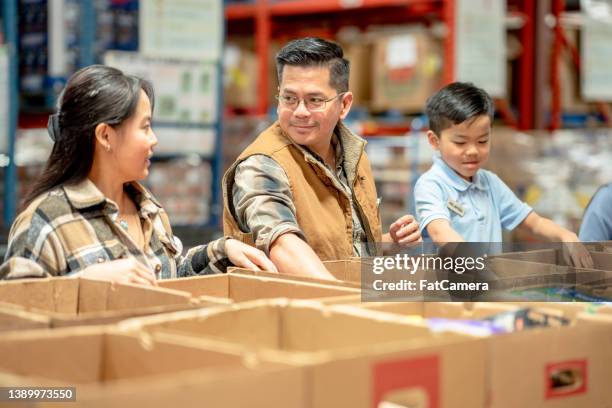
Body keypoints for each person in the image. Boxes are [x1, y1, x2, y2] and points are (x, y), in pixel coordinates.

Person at [1, 65, 276, 284]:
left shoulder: (149, 211)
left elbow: (166, 281)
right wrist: (81, 284)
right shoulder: (46, 222)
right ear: (105, 135)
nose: (153, 140)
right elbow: (16, 315)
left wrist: (222, 252)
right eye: (144, 127)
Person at [222, 37, 421, 280]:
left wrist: (389, 244)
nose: (300, 111)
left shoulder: (353, 156)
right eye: (289, 98)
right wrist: (341, 298)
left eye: (315, 100)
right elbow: (282, 244)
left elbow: (345, 247)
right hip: (295, 310)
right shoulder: (261, 165)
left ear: (344, 105)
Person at [414, 82, 593, 268]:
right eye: (460, 143)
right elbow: (440, 231)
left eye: (482, 141)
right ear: (434, 141)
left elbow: (534, 223)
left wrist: (566, 236)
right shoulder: (431, 185)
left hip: (487, 288)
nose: (473, 151)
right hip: (448, 291)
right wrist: (475, 265)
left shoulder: (490, 183)